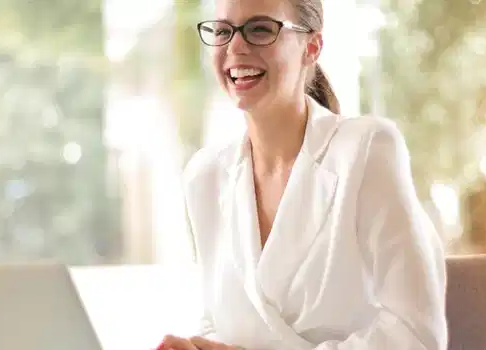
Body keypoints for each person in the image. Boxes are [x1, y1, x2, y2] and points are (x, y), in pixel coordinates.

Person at [159, 0, 448, 349]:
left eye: (260, 29)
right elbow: (218, 321)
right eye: (222, 31)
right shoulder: (204, 177)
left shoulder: (367, 150)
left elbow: (415, 336)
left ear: (311, 47)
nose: (234, 47)